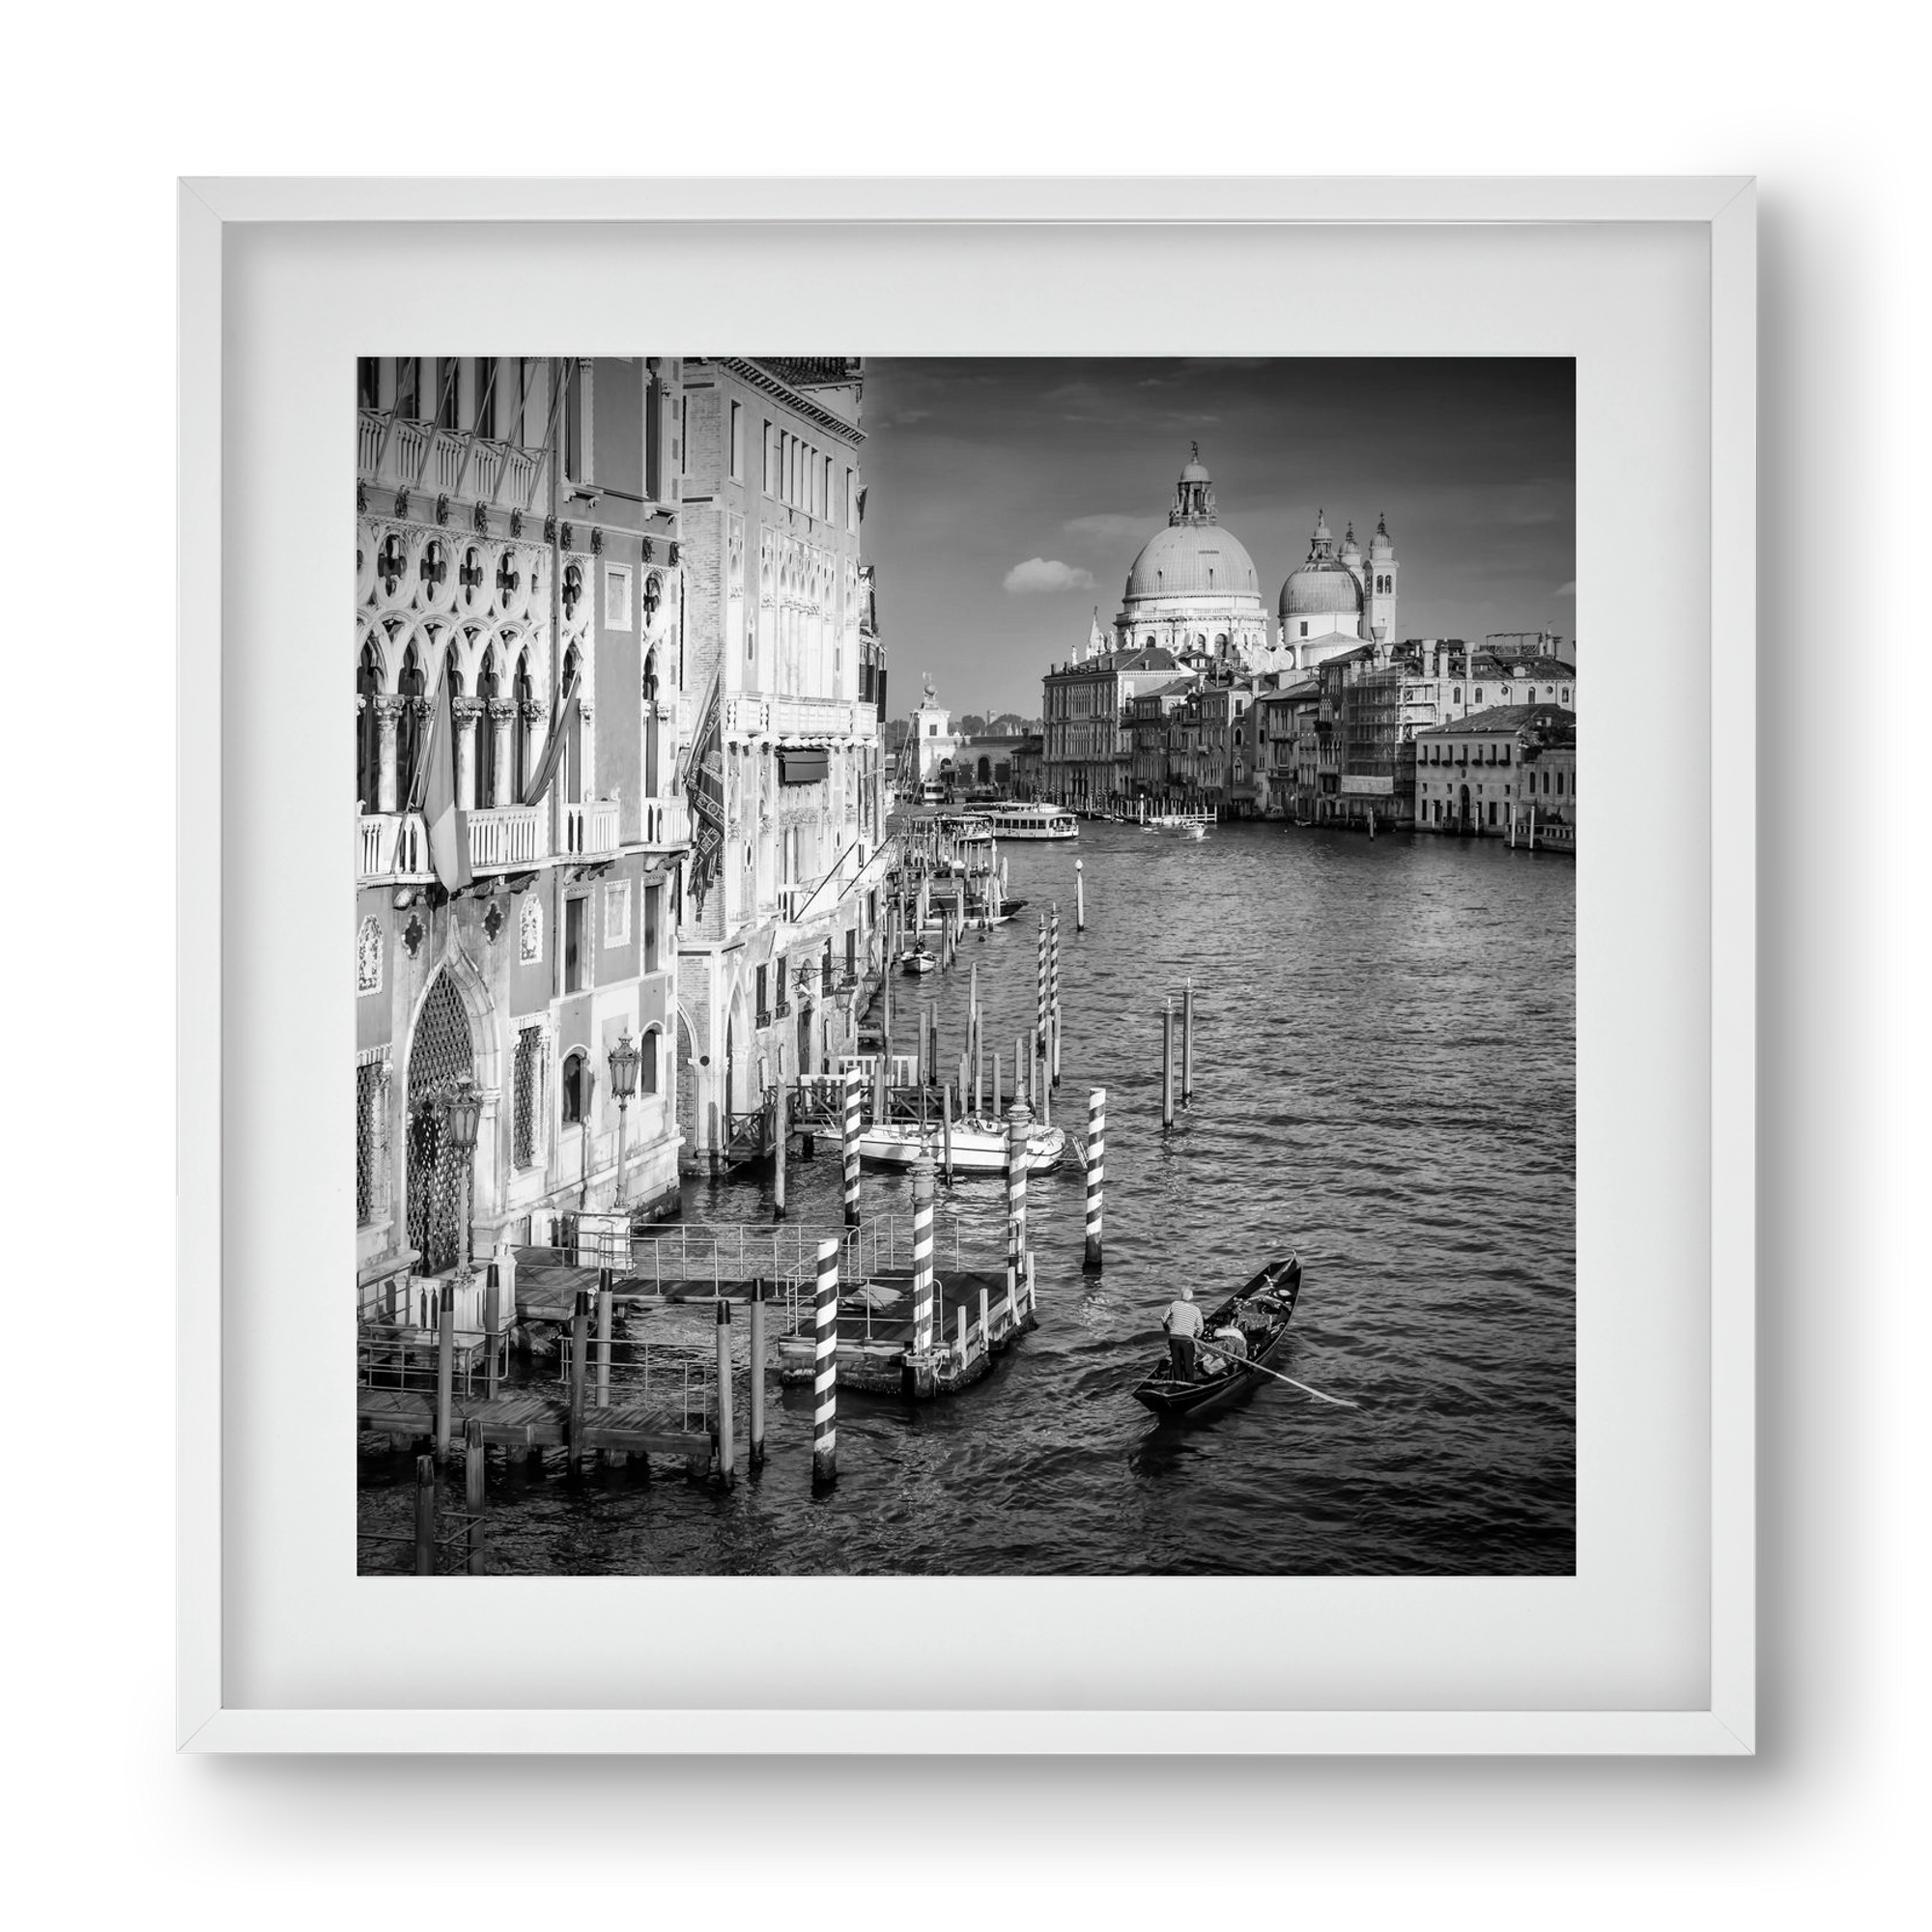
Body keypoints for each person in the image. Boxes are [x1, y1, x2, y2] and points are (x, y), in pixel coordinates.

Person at [1161, 1284, 1204, 1381]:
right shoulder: (1196, 1310)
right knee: (1188, 1366)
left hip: (1174, 1339)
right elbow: (1200, 1328)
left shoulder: (1174, 1304)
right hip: (1187, 1340)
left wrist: (1167, 1329)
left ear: (1181, 1296)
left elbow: (1164, 1319)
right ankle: (1189, 1385)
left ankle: (1177, 1383)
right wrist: (1196, 1336)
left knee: (1177, 1365)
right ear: (1191, 1297)